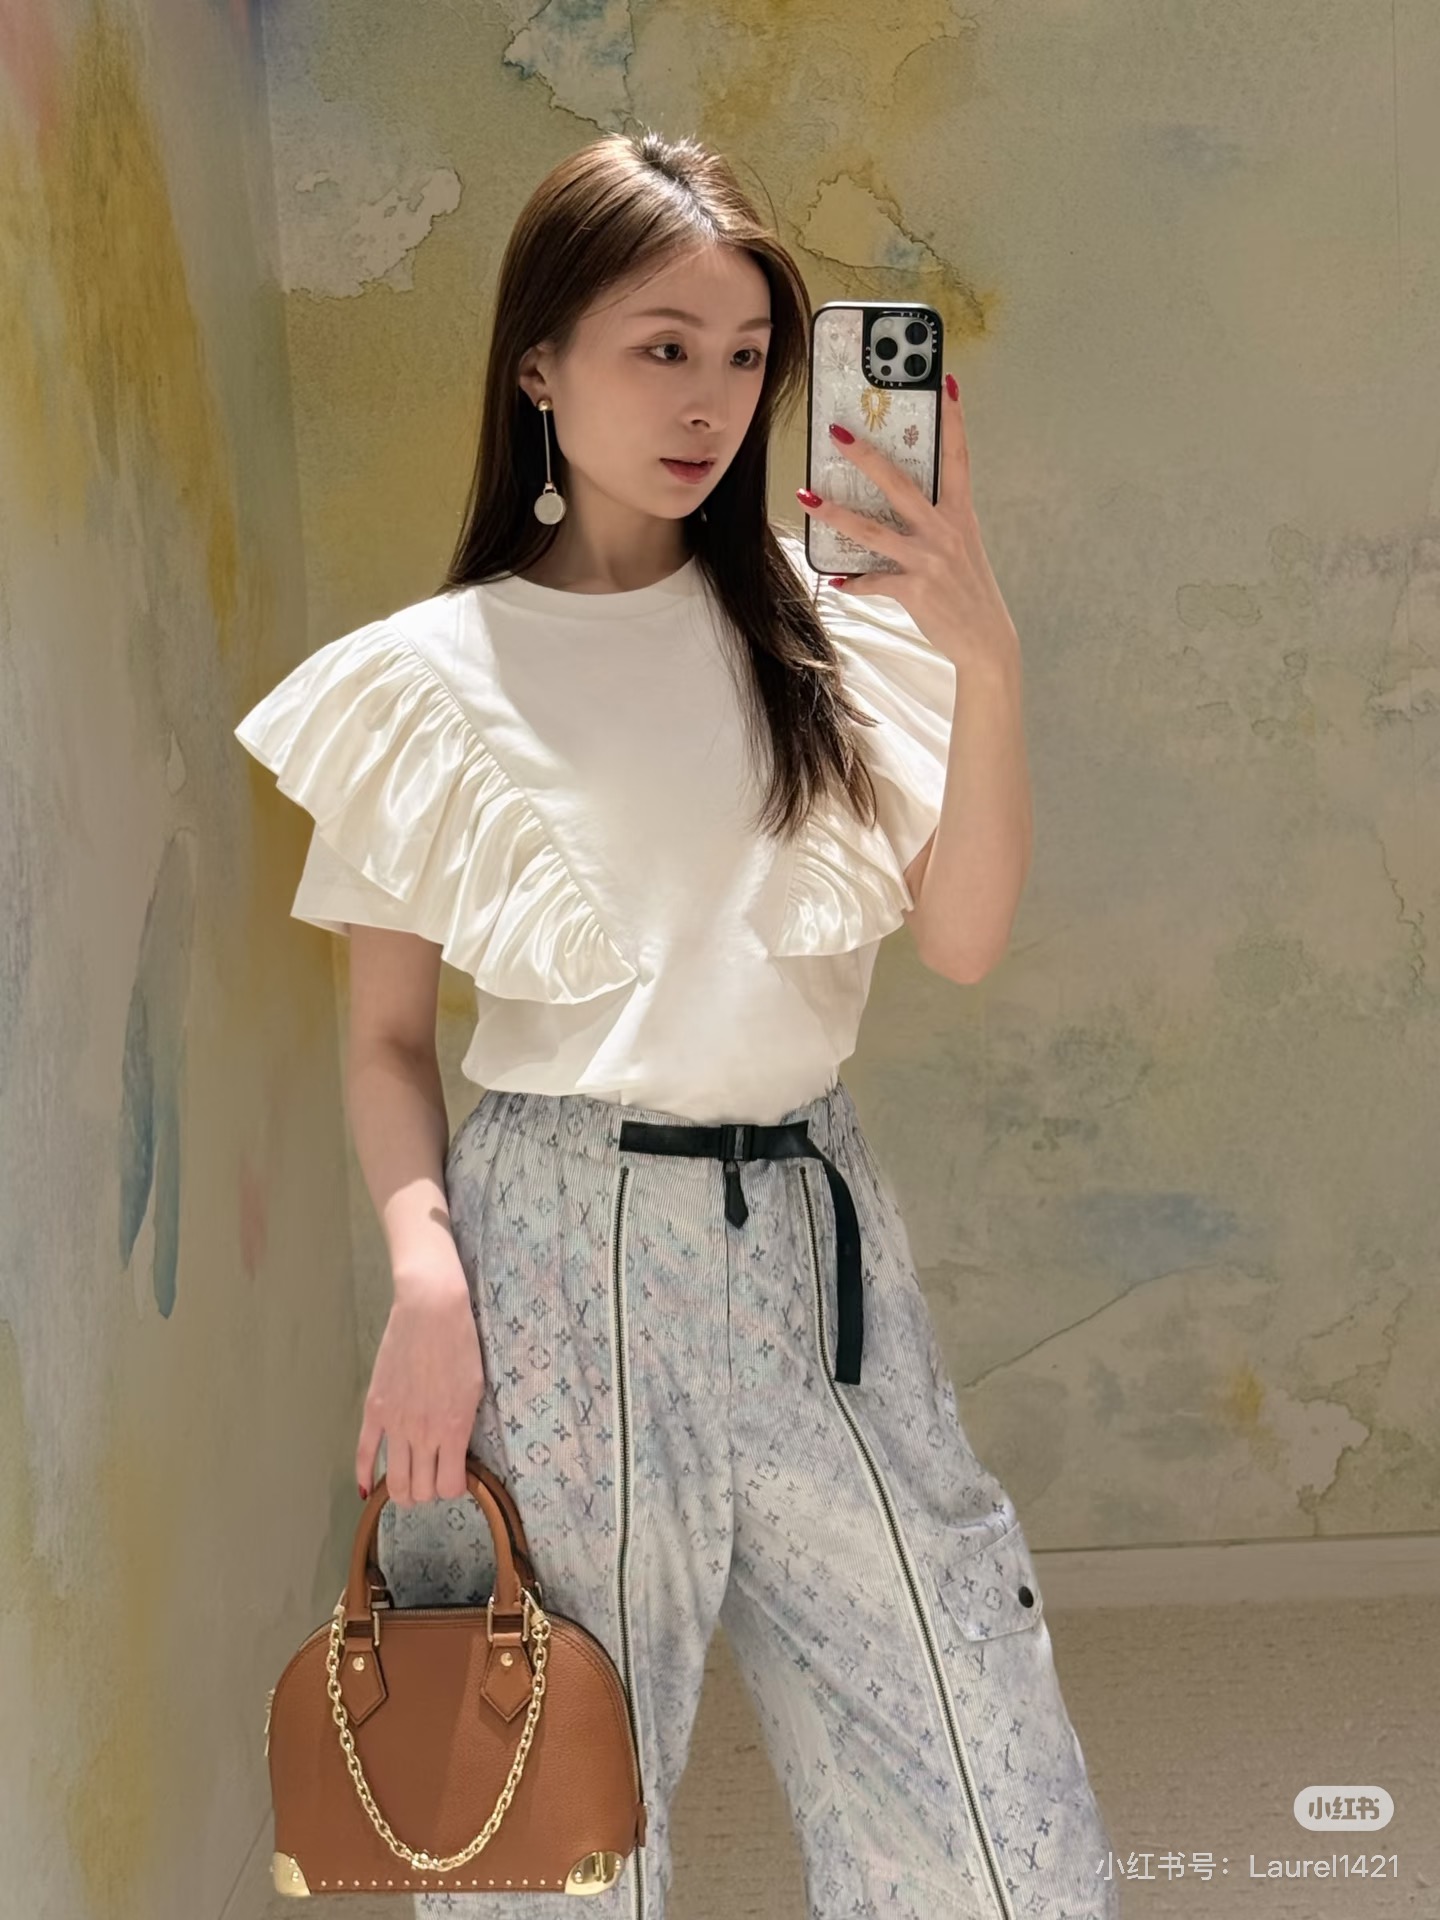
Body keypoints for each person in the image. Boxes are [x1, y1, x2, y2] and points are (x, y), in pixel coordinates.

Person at [234, 127, 1119, 1920]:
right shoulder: (424, 680)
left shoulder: (835, 635)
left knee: (982, 1785)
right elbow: (388, 1041)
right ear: (539, 365)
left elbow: (961, 937)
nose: (709, 398)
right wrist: (424, 1276)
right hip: (556, 1252)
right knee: (542, 1818)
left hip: (815, 1239)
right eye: (661, 347)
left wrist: (989, 656)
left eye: (743, 356)